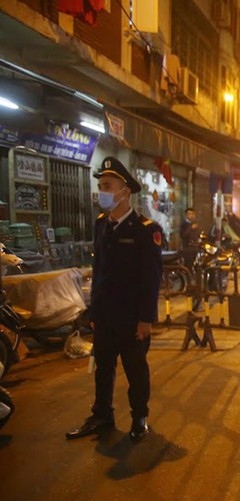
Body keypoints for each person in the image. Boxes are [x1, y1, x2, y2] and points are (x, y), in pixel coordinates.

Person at [66, 156, 162, 442]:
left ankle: (139, 417)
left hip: (132, 319)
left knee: (136, 371)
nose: (102, 192)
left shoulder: (146, 229)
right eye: (100, 185)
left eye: (107, 185)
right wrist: (94, 313)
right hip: (105, 316)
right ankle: (102, 415)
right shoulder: (101, 224)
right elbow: (99, 271)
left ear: (125, 191)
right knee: (102, 369)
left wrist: (146, 319)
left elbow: (151, 279)